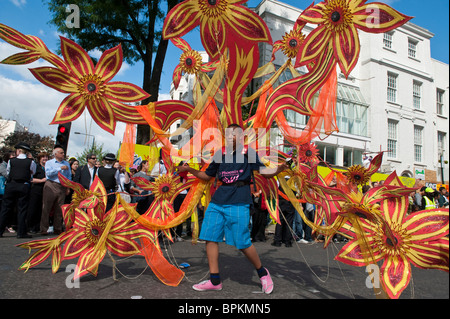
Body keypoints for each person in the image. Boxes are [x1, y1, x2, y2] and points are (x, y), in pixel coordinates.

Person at [178, 124, 288, 294]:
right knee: (209, 236)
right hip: (218, 200)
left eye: (234, 134)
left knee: (242, 242)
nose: (230, 137)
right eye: (228, 134)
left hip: (239, 200)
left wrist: (278, 170)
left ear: (241, 136)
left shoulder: (248, 153)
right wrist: (190, 169)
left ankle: (262, 273)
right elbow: (207, 176)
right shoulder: (220, 154)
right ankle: (215, 280)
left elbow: (264, 171)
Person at [0, 143, 36, 238]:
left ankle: (0, 231)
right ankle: (21, 232)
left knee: (6, 208)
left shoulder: (11, 161)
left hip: (11, 185)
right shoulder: (31, 162)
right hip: (23, 185)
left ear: (18, 151)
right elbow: (33, 172)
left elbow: (8, 172)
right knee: (22, 209)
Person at [41, 146, 71, 235]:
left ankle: (57, 228)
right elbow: (49, 173)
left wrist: (68, 187)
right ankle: (44, 228)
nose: (63, 154)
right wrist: (60, 168)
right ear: (56, 154)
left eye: (63, 153)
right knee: (46, 207)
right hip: (51, 184)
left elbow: (69, 176)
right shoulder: (49, 163)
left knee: (59, 208)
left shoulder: (66, 163)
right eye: (61, 153)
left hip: (62, 186)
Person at [27, 152, 48, 233]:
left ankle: (36, 227)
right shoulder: (36, 166)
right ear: (40, 158)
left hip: (45, 190)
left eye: (46, 157)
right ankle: (29, 226)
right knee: (33, 208)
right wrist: (41, 180)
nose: (45, 158)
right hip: (36, 189)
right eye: (43, 157)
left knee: (40, 209)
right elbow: (31, 179)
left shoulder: (48, 168)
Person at [272, 180, 295, 247]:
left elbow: (275, 189)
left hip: (281, 203)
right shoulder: (293, 181)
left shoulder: (279, 180)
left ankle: (277, 241)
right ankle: (288, 241)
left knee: (279, 222)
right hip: (290, 203)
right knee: (289, 222)